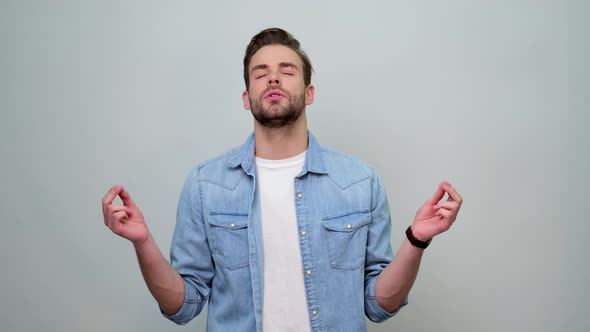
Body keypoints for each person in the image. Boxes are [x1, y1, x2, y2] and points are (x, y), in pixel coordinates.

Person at [101, 27, 463, 332]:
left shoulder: (359, 181)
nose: (273, 77)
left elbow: (378, 304)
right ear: (247, 98)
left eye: (287, 70)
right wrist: (143, 242)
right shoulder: (204, 184)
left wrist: (416, 240)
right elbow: (183, 305)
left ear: (309, 93)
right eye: (260, 73)